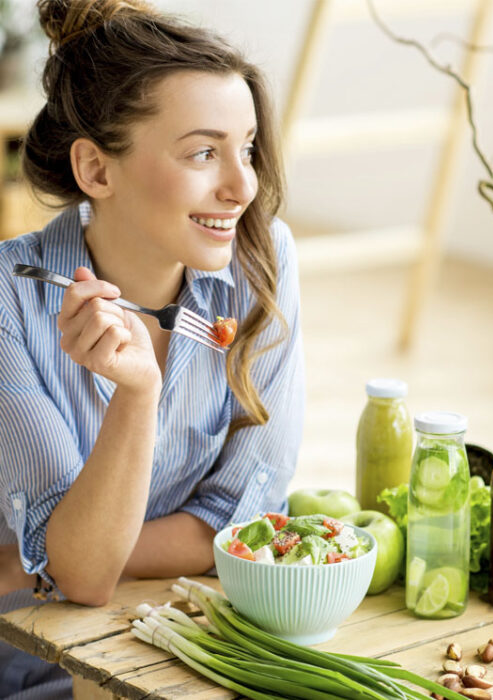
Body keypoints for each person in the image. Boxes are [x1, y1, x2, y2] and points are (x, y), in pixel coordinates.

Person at [0, 0, 304, 696]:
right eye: (203, 152)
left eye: (247, 148)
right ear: (97, 171)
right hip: (27, 666)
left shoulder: (265, 261)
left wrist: (33, 563)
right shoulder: (8, 297)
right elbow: (81, 576)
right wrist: (136, 395)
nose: (242, 186)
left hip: (173, 647)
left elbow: (245, 519)